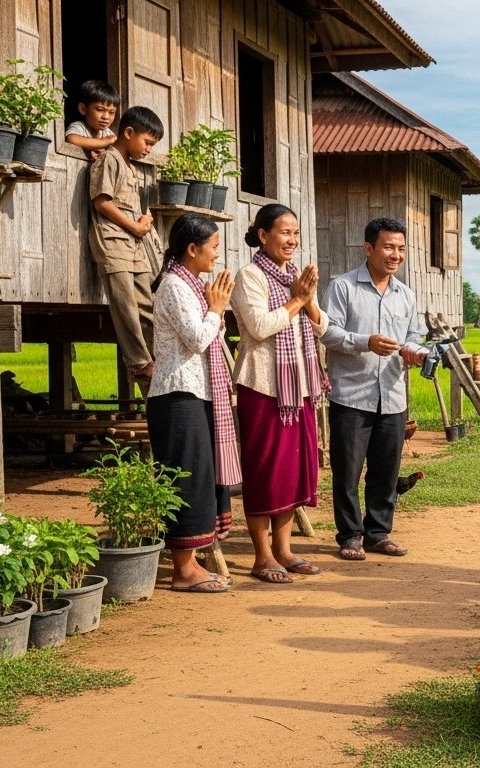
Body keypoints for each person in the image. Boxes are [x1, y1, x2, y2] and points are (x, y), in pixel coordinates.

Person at [321, 217, 429, 561]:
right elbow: (327, 332)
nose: (395, 254)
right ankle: (350, 535)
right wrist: (364, 342)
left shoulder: (406, 295)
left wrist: (414, 351)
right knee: (348, 471)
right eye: (388, 247)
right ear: (369, 249)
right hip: (352, 395)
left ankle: (378, 533)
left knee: (385, 470)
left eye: (400, 248)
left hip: (392, 396)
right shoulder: (343, 287)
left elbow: (415, 337)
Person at [231, 203, 327, 583]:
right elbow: (258, 326)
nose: (292, 239)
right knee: (265, 470)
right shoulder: (250, 276)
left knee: (291, 471)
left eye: (295, 233)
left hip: (298, 387)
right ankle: (261, 555)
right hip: (264, 387)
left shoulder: (295, 276)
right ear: (263, 236)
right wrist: (297, 300)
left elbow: (321, 326)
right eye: (284, 232)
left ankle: (284, 550)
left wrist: (308, 301)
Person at [146, 213, 239, 593]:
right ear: (192, 249)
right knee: (184, 479)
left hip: (193, 393)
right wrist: (216, 309)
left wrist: (214, 304)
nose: (217, 254)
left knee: (199, 475)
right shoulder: (173, 286)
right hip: (176, 394)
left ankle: (192, 562)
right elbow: (199, 338)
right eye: (213, 247)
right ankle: (183, 570)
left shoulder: (191, 285)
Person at [89, 105, 162, 384]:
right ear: (129, 132)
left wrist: (143, 220)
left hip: (134, 245)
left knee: (147, 302)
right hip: (113, 243)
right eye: (147, 142)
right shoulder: (109, 160)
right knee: (125, 305)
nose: (148, 149)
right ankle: (139, 362)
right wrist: (134, 225)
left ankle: (161, 354)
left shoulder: (129, 165)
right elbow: (101, 201)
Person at [64, 79, 119, 160]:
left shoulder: (108, 133)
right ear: (83, 109)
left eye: (111, 112)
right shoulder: (79, 126)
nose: (106, 117)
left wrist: (103, 153)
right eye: (100, 109)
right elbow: (71, 139)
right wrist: (104, 142)